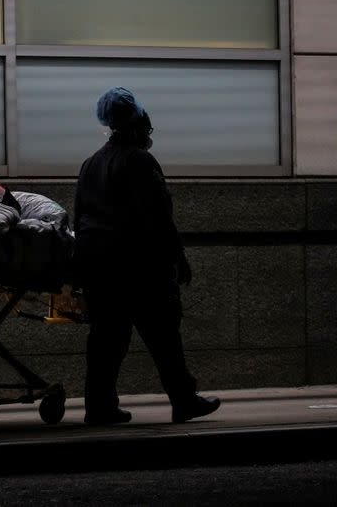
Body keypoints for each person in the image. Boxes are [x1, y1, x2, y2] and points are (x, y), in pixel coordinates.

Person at [73, 86, 221, 425]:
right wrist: (177, 258)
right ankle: (183, 399)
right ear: (138, 121)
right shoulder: (139, 160)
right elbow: (157, 216)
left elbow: (80, 215)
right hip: (138, 267)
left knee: (106, 341)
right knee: (164, 335)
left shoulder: (90, 163)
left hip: (99, 267)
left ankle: (99, 406)